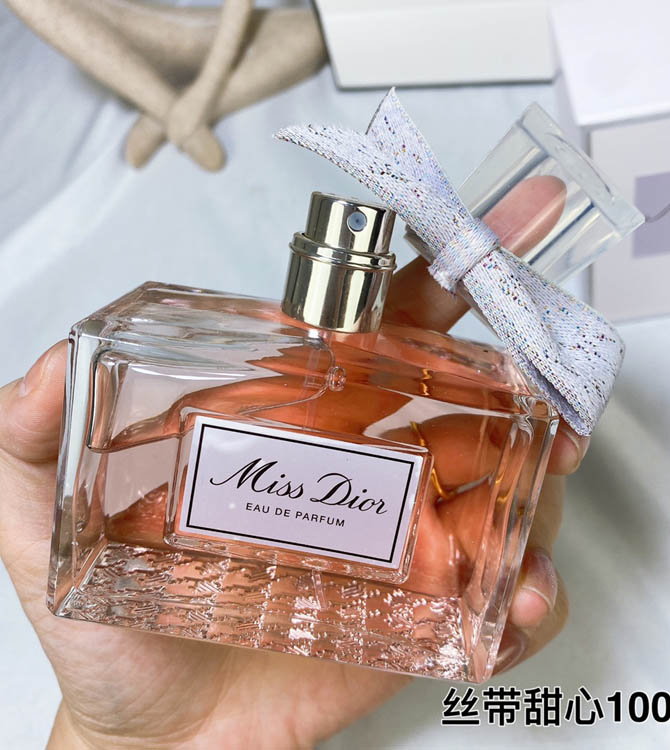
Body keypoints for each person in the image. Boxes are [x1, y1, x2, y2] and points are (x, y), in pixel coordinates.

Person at [0, 181, 587, 748]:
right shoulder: (133, 343)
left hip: (311, 639)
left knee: (514, 507)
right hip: (148, 619)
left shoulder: (497, 397)